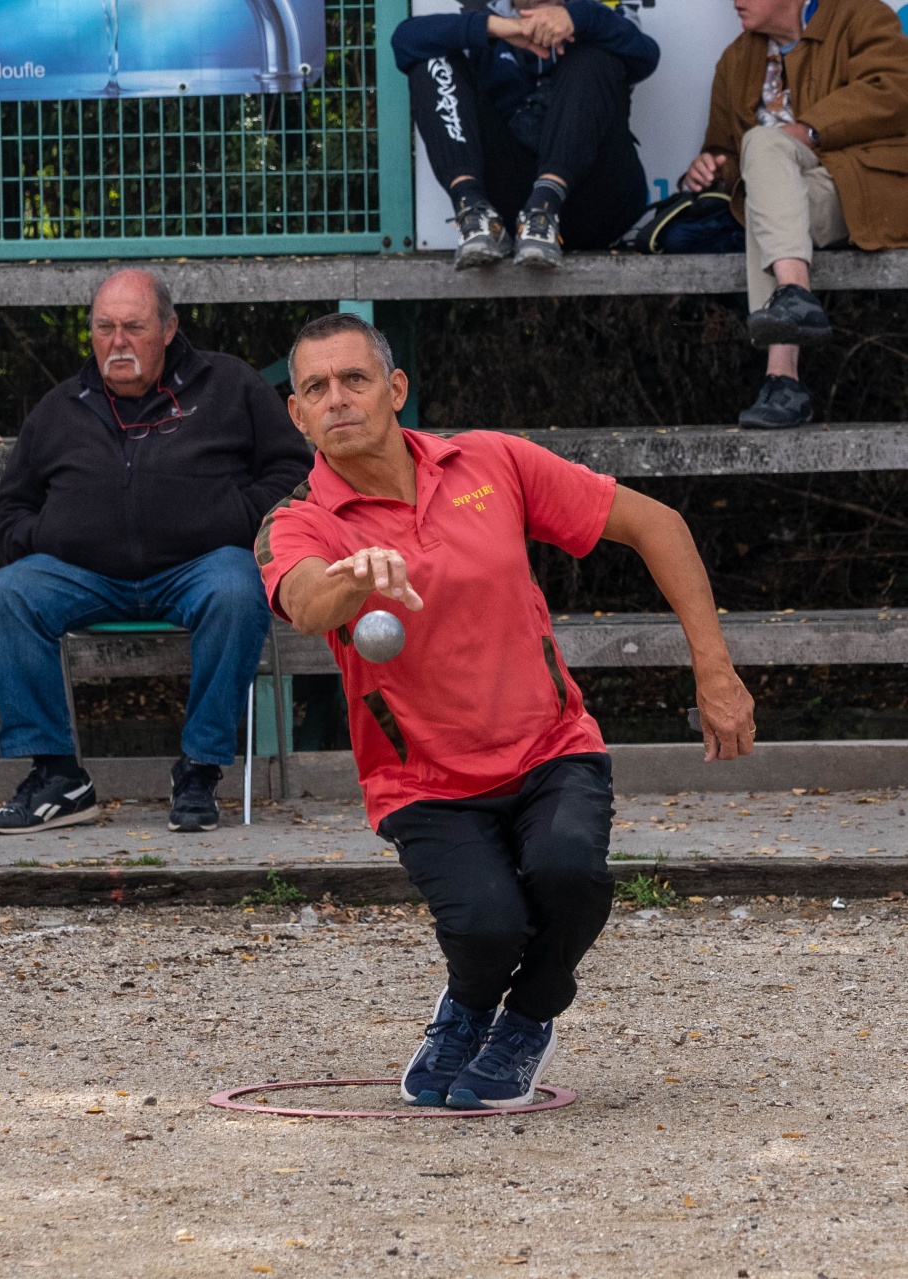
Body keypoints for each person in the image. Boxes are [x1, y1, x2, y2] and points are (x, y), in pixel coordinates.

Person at [257, 312, 755, 1109]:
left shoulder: (489, 460)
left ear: (395, 388)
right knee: (488, 925)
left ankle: (526, 1018)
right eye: (315, 388)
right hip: (422, 780)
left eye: (354, 378)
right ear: (297, 413)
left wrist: (715, 668)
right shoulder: (297, 519)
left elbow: (656, 524)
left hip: (548, 746)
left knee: (570, 873)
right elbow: (306, 601)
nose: (337, 399)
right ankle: (467, 1005)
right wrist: (354, 577)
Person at [0, 269, 310, 835]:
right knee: (5, 592)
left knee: (237, 588)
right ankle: (58, 778)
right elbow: (9, 506)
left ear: (169, 328)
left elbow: (291, 472)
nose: (118, 341)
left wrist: (232, 517)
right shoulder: (61, 407)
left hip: (200, 567)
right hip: (85, 575)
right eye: (104, 327)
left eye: (133, 327)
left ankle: (199, 771)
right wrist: (46, 536)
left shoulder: (228, 384)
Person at [683, 0, 908, 429]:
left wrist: (810, 129)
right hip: (791, 203)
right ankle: (793, 311)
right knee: (763, 190)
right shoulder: (736, 58)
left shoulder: (861, 15)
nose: (734, 1)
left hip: (862, 187)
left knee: (763, 150)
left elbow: (894, 89)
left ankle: (783, 374)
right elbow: (725, 150)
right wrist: (710, 166)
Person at [391, 0, 659, 270]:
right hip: (512, 209)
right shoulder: (488, 18)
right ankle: (473, 212)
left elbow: (646, 55)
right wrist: (497, 28)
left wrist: (576, 18)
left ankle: (545, 204)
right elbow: (405, 39)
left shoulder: (595, 14)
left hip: (597, 203)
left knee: (595, 51)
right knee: (433, 58)